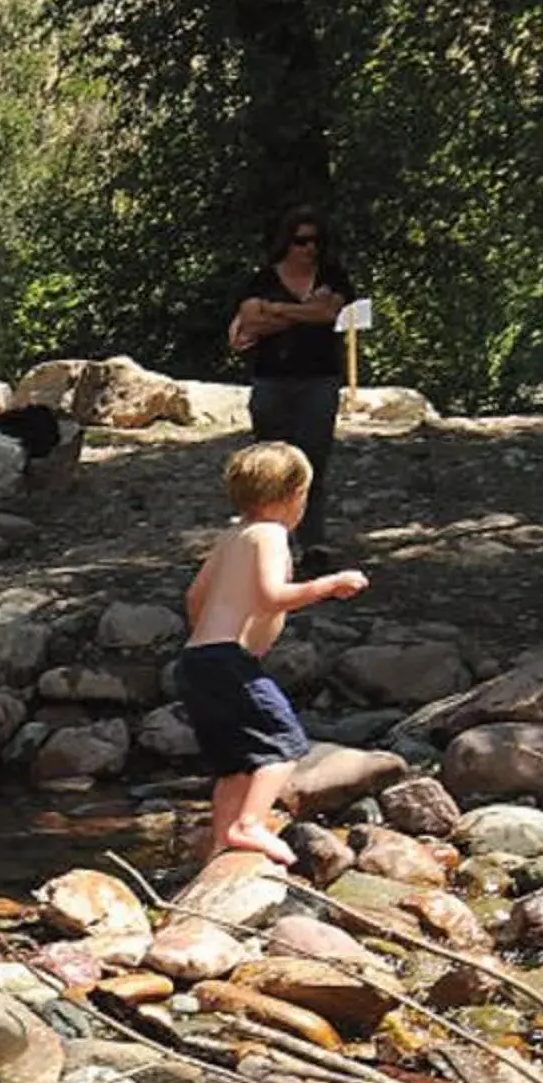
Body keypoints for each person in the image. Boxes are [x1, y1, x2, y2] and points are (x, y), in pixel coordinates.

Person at [178, 440, 368, 864]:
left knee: (235, 761)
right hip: (228, 660)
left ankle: (223, 839)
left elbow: (195, 598)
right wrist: (329, 585)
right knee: (282, 746)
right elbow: (271, 595)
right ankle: (250, 825)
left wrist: (211, 636)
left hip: (197, 659)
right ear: (292, 497)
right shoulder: (271, 534)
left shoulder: (231, 536)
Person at [229, 206, 352, 565]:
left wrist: (278, 311)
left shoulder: (333, 277)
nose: (309, 248)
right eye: (301, 241)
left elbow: (329, 314)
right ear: (287, 243)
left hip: (319, 380)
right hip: (272, 380)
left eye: (316, 241)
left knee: (313, 460)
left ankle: (313, 542)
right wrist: (304, 312)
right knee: (269, 464)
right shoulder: (262, 279)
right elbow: (249, 321)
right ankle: (271, 541)